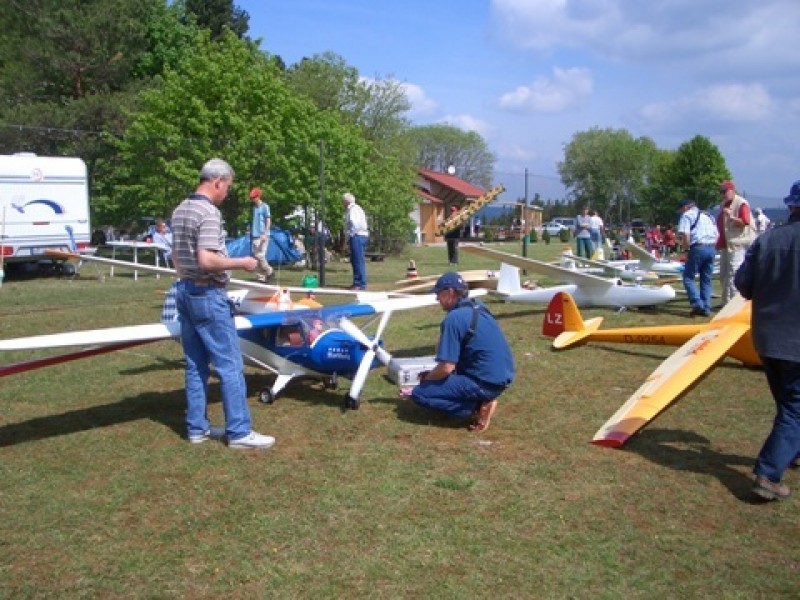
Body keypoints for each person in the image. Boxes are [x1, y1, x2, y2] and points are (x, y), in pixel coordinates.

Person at [171, 158, 275, 450]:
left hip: (184, 291)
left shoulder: (180, 210)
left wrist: (187, 277)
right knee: (230, 365)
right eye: (227, 187)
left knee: (195, 364)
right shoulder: (208, 212)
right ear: (217, 182)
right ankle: (239, 432)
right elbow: (207, 259)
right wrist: (242, 263)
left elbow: (176, 256)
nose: (227, 193)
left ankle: (197, 428)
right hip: (208, 294)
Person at [734, 179, 800, 501]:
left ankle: (793, 451)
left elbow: (743, 285)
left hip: (767, 339)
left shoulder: (767, 240)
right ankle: (768, 474)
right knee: (795, 408)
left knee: (789, 405)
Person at [405, 272, 515, 432]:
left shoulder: (454, 318)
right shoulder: (479, 306)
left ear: (450, 292)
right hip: (503, 376)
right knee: (437, 380)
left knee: (420, 393)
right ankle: (480, 400)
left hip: (484, 382)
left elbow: (446, 367)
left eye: (439, 294)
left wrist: (427, 379)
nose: (437, 298)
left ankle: (477, 408)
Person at [677, 198, 719, 317]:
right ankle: (706, 307)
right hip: (711, 247)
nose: (681, 212)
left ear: (685, 207)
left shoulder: (687, 215)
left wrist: (686, 249)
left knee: (688, 277)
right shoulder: (709, 216)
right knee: (706, 279)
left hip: (698, 247)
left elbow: (685, 234)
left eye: (681, 209)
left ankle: (697, 304)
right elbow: (717, 234)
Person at [716, 180, 756, 305]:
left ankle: (735, 304)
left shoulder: (741, 203)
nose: (723, 194)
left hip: (738, 244)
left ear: (732, 190)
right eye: (721, 192)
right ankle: (725, 302)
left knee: (734, 274)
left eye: (725, 191)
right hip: (726, 244)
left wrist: (731, 216)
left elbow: (745, 222)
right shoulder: (724, 204)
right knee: (723, 275)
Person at [342, 192, 369, 290]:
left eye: (343, 201)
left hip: (357, 236)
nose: (342, 204)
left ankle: (360, 283)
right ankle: (358, 282)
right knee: (355, 260)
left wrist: (351, 236)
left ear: (346, 201)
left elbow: (355, 224)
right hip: (358, 235)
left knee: (358, 260)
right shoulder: (356, 209)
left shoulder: (353, 209)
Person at [249, 187, 273, 282]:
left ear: (258, 196)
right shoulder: (254, 208)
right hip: (254, 235)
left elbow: (268, 220)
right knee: (256, 257)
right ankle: (261, 277)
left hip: (262, 235)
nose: (252, 199)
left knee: (260, 255)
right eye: (251, 198)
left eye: (254, 197)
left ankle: (269, 270)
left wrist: (265, 233)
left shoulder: (265, 207)